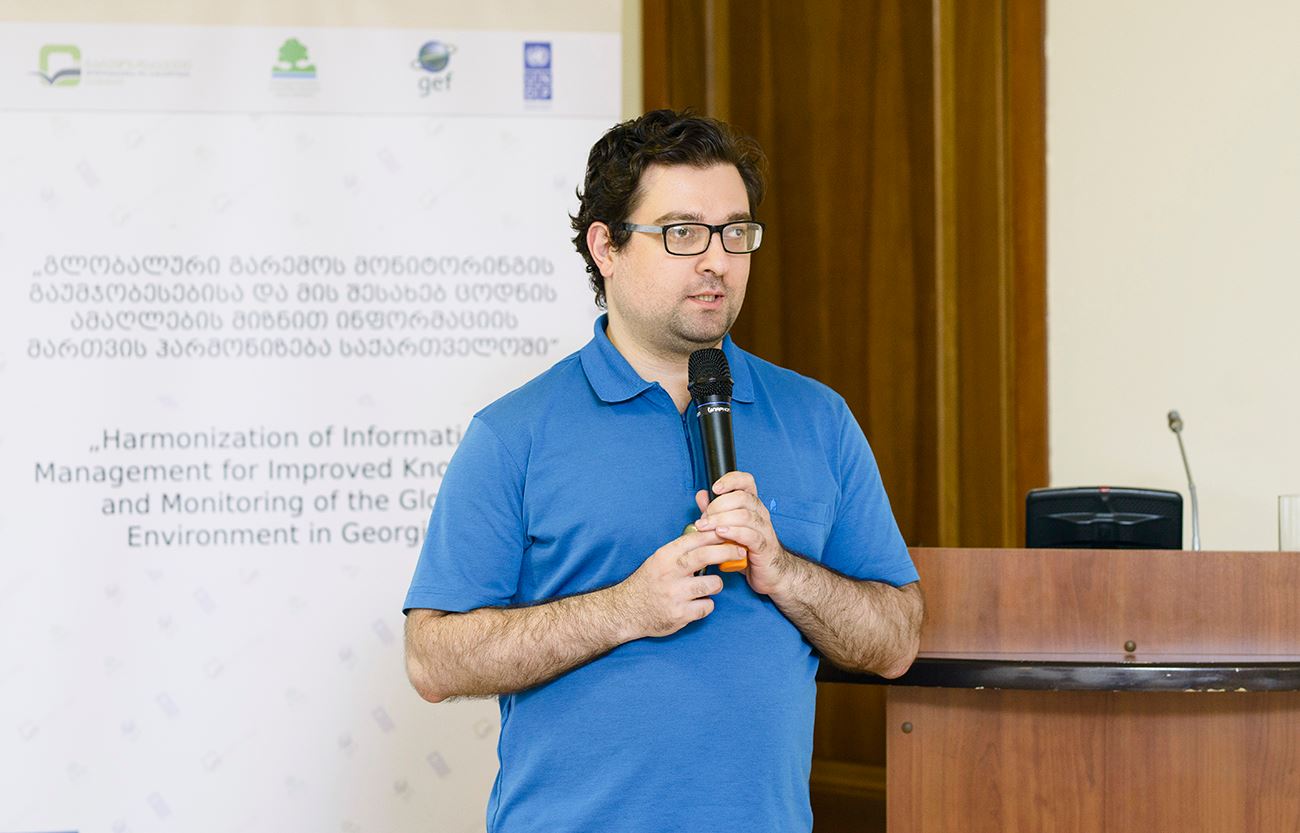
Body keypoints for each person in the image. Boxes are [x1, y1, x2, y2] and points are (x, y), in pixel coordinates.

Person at [403, 109, 923, 833]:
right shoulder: (512, 433)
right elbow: (433, 659)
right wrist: (624, 609)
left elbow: (897, 641)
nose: (717, 261)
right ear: (606, 247)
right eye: (682, 233)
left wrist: (785, 571)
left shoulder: (818, 418)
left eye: (735, 233)